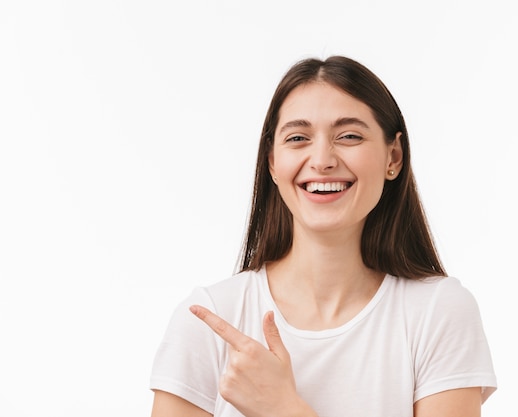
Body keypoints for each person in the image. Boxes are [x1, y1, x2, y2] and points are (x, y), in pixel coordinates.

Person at [149, 55, 497, 417]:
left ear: (393, 156)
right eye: (298, 138)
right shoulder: (211, 319)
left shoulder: (438, 312)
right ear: (272, 161)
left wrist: (283, 410)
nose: (322, 160)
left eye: (349, 136)